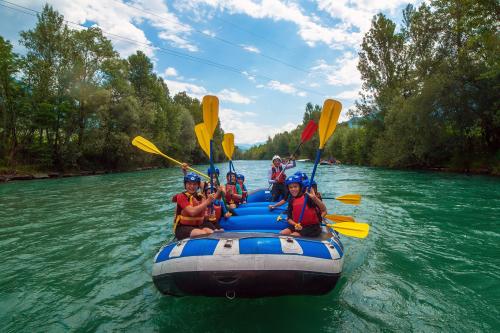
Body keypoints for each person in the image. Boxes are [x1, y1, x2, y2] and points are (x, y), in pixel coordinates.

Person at [172, 172, 216, 240]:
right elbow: (192, 212)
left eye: (194, 184)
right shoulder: (181, 196)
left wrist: (209, 216)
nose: (192, 186)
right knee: (202, 234)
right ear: (185, 185)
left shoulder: (201, 197)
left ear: (198, 185)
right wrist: (207, 201)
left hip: (198, 226)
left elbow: (205, 217)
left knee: (211, 232)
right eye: (189, 184)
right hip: (182, 228)